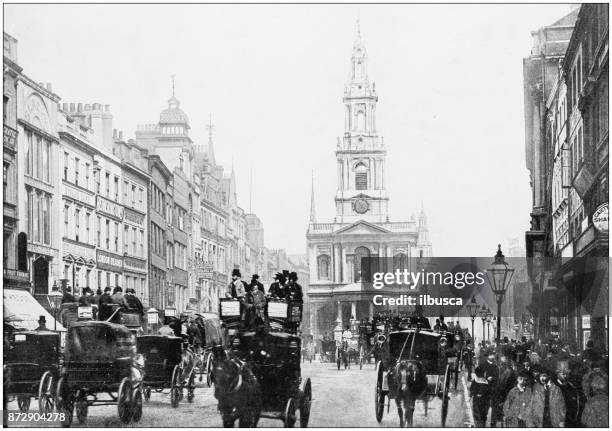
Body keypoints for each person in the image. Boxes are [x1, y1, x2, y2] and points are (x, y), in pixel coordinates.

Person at [554, 360, 585, 427]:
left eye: (566, 374)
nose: (565, 376)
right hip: (557, 420)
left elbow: (575, 404)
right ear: (557, 374)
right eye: (562, 374)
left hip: (570, 421)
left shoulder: (571, 386)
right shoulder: (554, 386)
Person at [481, 350, 500, 427]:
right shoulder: (483, 365)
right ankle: (483, 417)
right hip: (485, 387)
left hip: (493, 387)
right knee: (485, 404)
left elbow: (497, 377)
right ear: (487, 356)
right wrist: (486, 378)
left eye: (493, 355)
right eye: (490, 355)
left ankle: (493, 420)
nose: (492, 357)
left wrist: (493, 378)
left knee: (495, 404)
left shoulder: (496, 367)